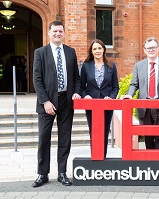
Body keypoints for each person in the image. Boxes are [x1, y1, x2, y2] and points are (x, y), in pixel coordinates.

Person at [32, 21, 81, 187]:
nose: (58, 34)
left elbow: (76, 77)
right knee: (44, 139)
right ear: (49, 33)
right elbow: (37, 79)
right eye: (55, 31)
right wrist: (45, 101)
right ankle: (42, 174)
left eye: (60, 31)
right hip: (47, 102)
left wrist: (76, 91)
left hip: (66, 101)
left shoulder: (70, 52)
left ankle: (62, 173)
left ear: (64, 33)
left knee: (65, 139)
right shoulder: (40, 52)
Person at [121, 37, 159, 149]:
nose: (151, 50)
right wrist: (129, 95)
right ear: (144, 50)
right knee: (148, 138)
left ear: (158, 49)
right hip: (144, 108)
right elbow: (134, 84)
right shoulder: (139, 65)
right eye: (148, 48)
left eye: (153, 47)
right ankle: (150, 164)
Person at [80, 39, 119, 158]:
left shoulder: (111, 66)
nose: (97, 51)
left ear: (103, 50)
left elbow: (115, 87)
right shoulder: (86, 66)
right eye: (94, 49)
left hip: (106, 104)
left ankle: (103, 158)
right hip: (91, 104)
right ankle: (95, 157)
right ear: (91, 51)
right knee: (94, 131)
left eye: (99, 48)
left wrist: (111, 98)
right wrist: (85, 95)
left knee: (105, 131)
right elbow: (81, 87)